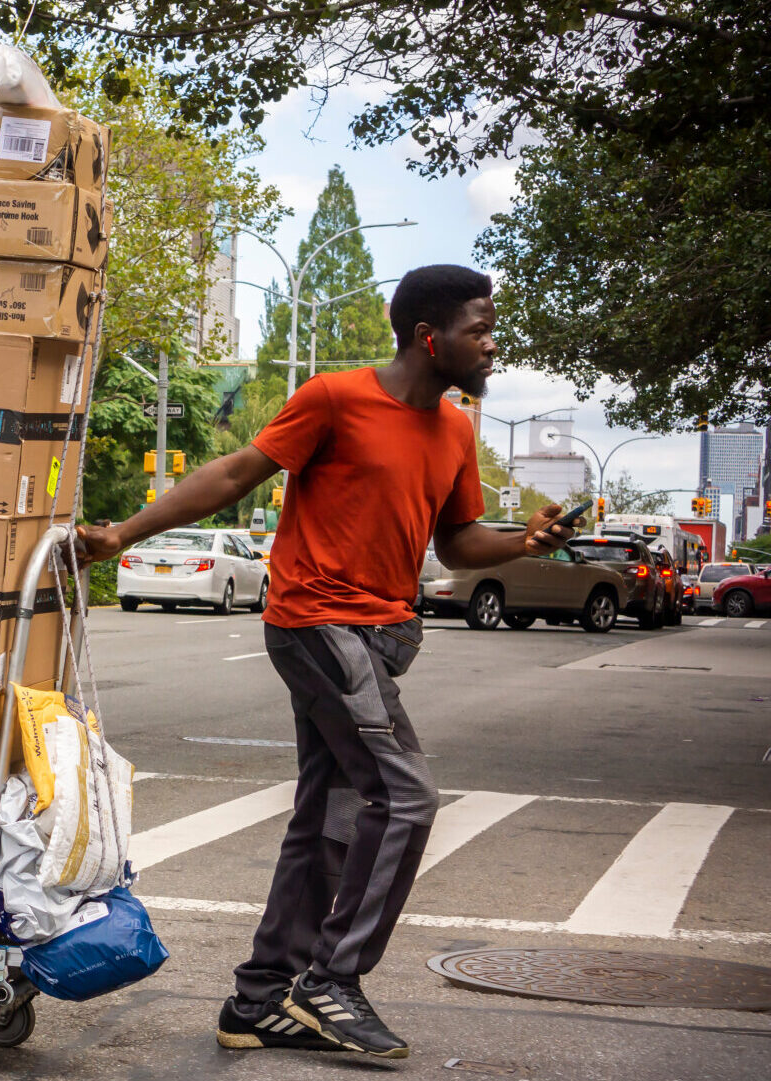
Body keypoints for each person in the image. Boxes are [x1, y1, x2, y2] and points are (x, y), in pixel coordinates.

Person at [75, 265, 576, 1059]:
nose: (491, 345)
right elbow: (239, 471)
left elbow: (456, 543)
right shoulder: (336, 398)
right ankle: (330, 982)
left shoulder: (454, 429)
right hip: (317, 620)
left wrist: (524, 539)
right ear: (428, 336)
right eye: (479, 329)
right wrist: (122, 535)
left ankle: (260, 998)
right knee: (405, 795)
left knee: (331, 819)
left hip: (382, 634)